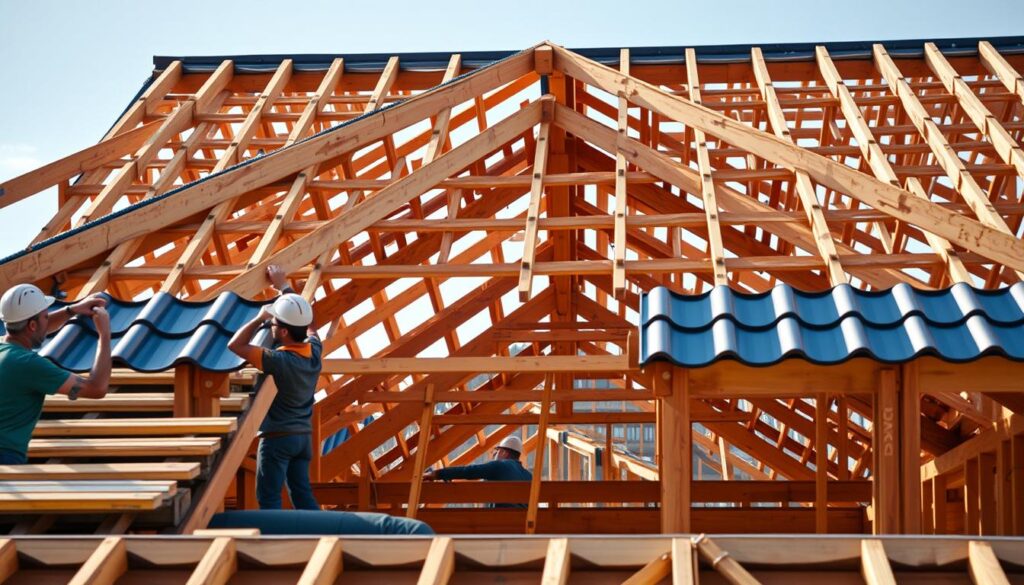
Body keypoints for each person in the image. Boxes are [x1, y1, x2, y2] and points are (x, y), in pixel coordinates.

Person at [228, 265, 321, 510]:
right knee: (302, 497)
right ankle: (322, 538)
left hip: (278, 438)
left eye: (274, 324)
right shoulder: (314, 352)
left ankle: (272, 545)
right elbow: (309, 324)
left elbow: (236, 346)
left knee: (268, 499)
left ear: (283, 331)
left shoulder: (278, 360)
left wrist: (259, 318)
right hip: (303, 438)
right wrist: (284, 288)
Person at [0, 284, 110, 465]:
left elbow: (33, 330)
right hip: (5, 458)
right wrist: (104, 335)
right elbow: (97, 388)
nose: (47, 320)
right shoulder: (27, 364)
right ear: (33, 325)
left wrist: (71, 310)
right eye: (45, 316)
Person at [423, 434, 532, 508]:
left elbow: (469, 471)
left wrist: (437, 474)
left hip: (501, 523)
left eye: (497, 451)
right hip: (523, 527)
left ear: (504, 453)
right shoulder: (529, 476)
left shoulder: (500, 465)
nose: (494, 454)